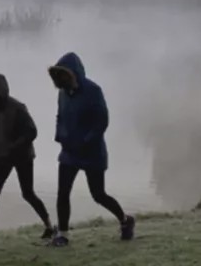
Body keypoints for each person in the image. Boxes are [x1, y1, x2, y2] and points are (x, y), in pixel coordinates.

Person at [47, 52, 135, 247]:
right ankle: (62, 234)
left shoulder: (93, 91)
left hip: (92, 153)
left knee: (98, 195)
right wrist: (59, 136)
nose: (60, 80)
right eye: (57, 76)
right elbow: (60, 117)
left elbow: (102, 121)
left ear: (73, 74)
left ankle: (125, 220)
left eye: (63, 75)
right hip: (69, 153)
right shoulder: (62, 94)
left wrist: (86, 141)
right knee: (63, 193)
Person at [0, 73, 55, 246]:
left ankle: (50, 227)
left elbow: (32, 132)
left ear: (1, 92)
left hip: (23, 157)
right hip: (1, 159)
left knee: (28, 193)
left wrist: (14, 146)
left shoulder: (18, 108)